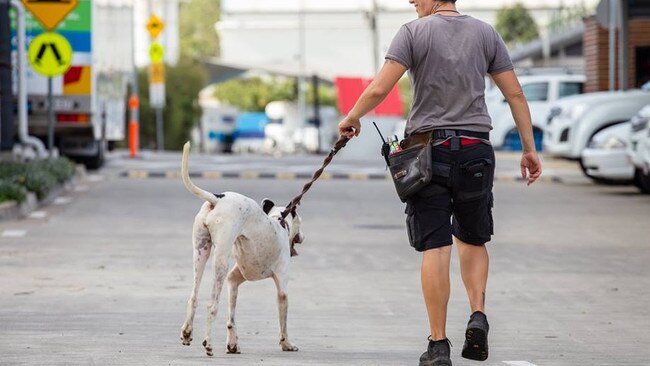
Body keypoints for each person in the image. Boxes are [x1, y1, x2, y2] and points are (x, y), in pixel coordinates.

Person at [338, 1, 542, 365]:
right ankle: (477, 315)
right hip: (476, 150)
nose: (411, 1)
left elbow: (378, 88)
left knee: (436, 245)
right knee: (473, 238)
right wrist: (529, 149)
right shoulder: (485, 33)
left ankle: (438, 345)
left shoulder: (412, 33)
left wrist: (353, 117)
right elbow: (516, 94)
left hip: (428, 152)